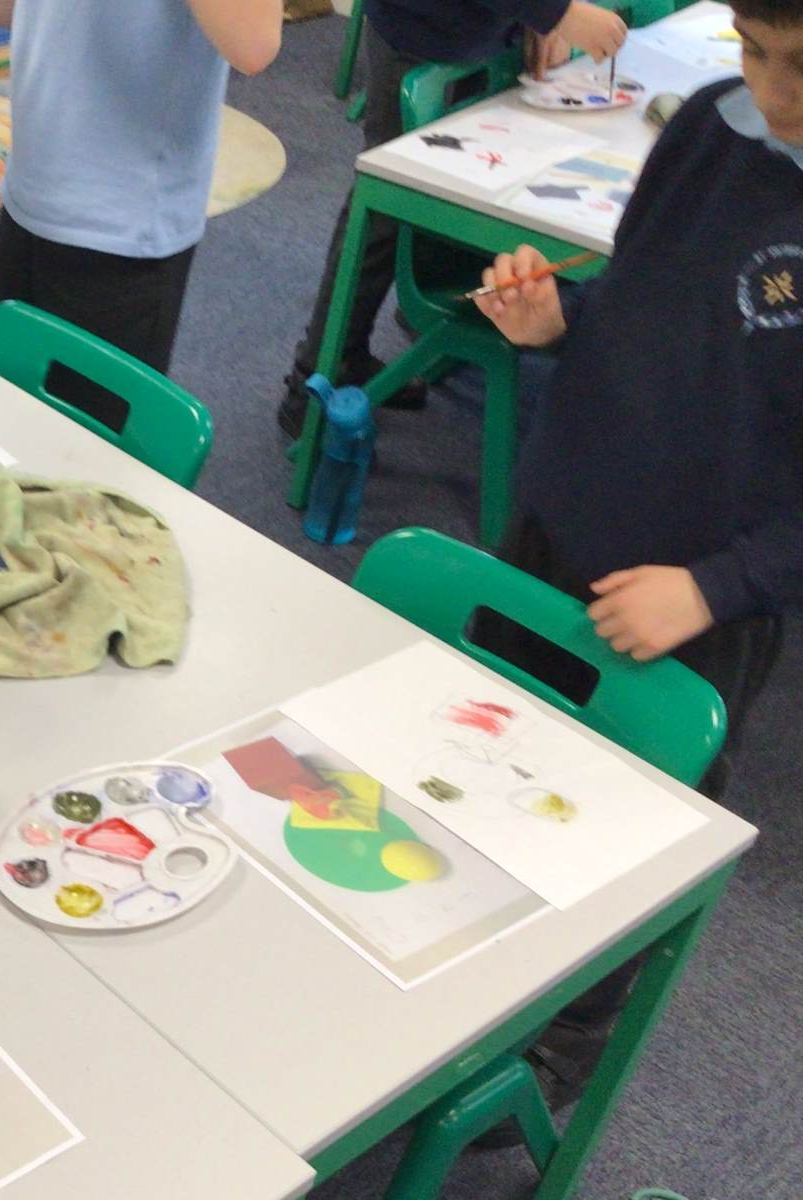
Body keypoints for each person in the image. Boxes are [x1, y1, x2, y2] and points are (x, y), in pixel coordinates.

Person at [471, 0, 801, 1115]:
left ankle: (567, 1038)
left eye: (802, 66)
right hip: (564, 519)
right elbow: (644, 301)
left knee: (627, 827)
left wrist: (715, 588)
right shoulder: (711, 121)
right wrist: (559, 321)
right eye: (754, 51)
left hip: (699, 600)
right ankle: (471, 975)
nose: (773, 92)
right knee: (492, 756)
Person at [276, 0, 629, 437]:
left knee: (457, 186)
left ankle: (383, 338)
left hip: (476, 30)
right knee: (386, 204)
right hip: (422, 33)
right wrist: (557, 13)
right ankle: (315, 378)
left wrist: (542, 20)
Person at [0, 0, 283, 375]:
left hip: (119, 233)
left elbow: (254, 43)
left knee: (75, 414)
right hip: (31, 194)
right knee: (0, 403)